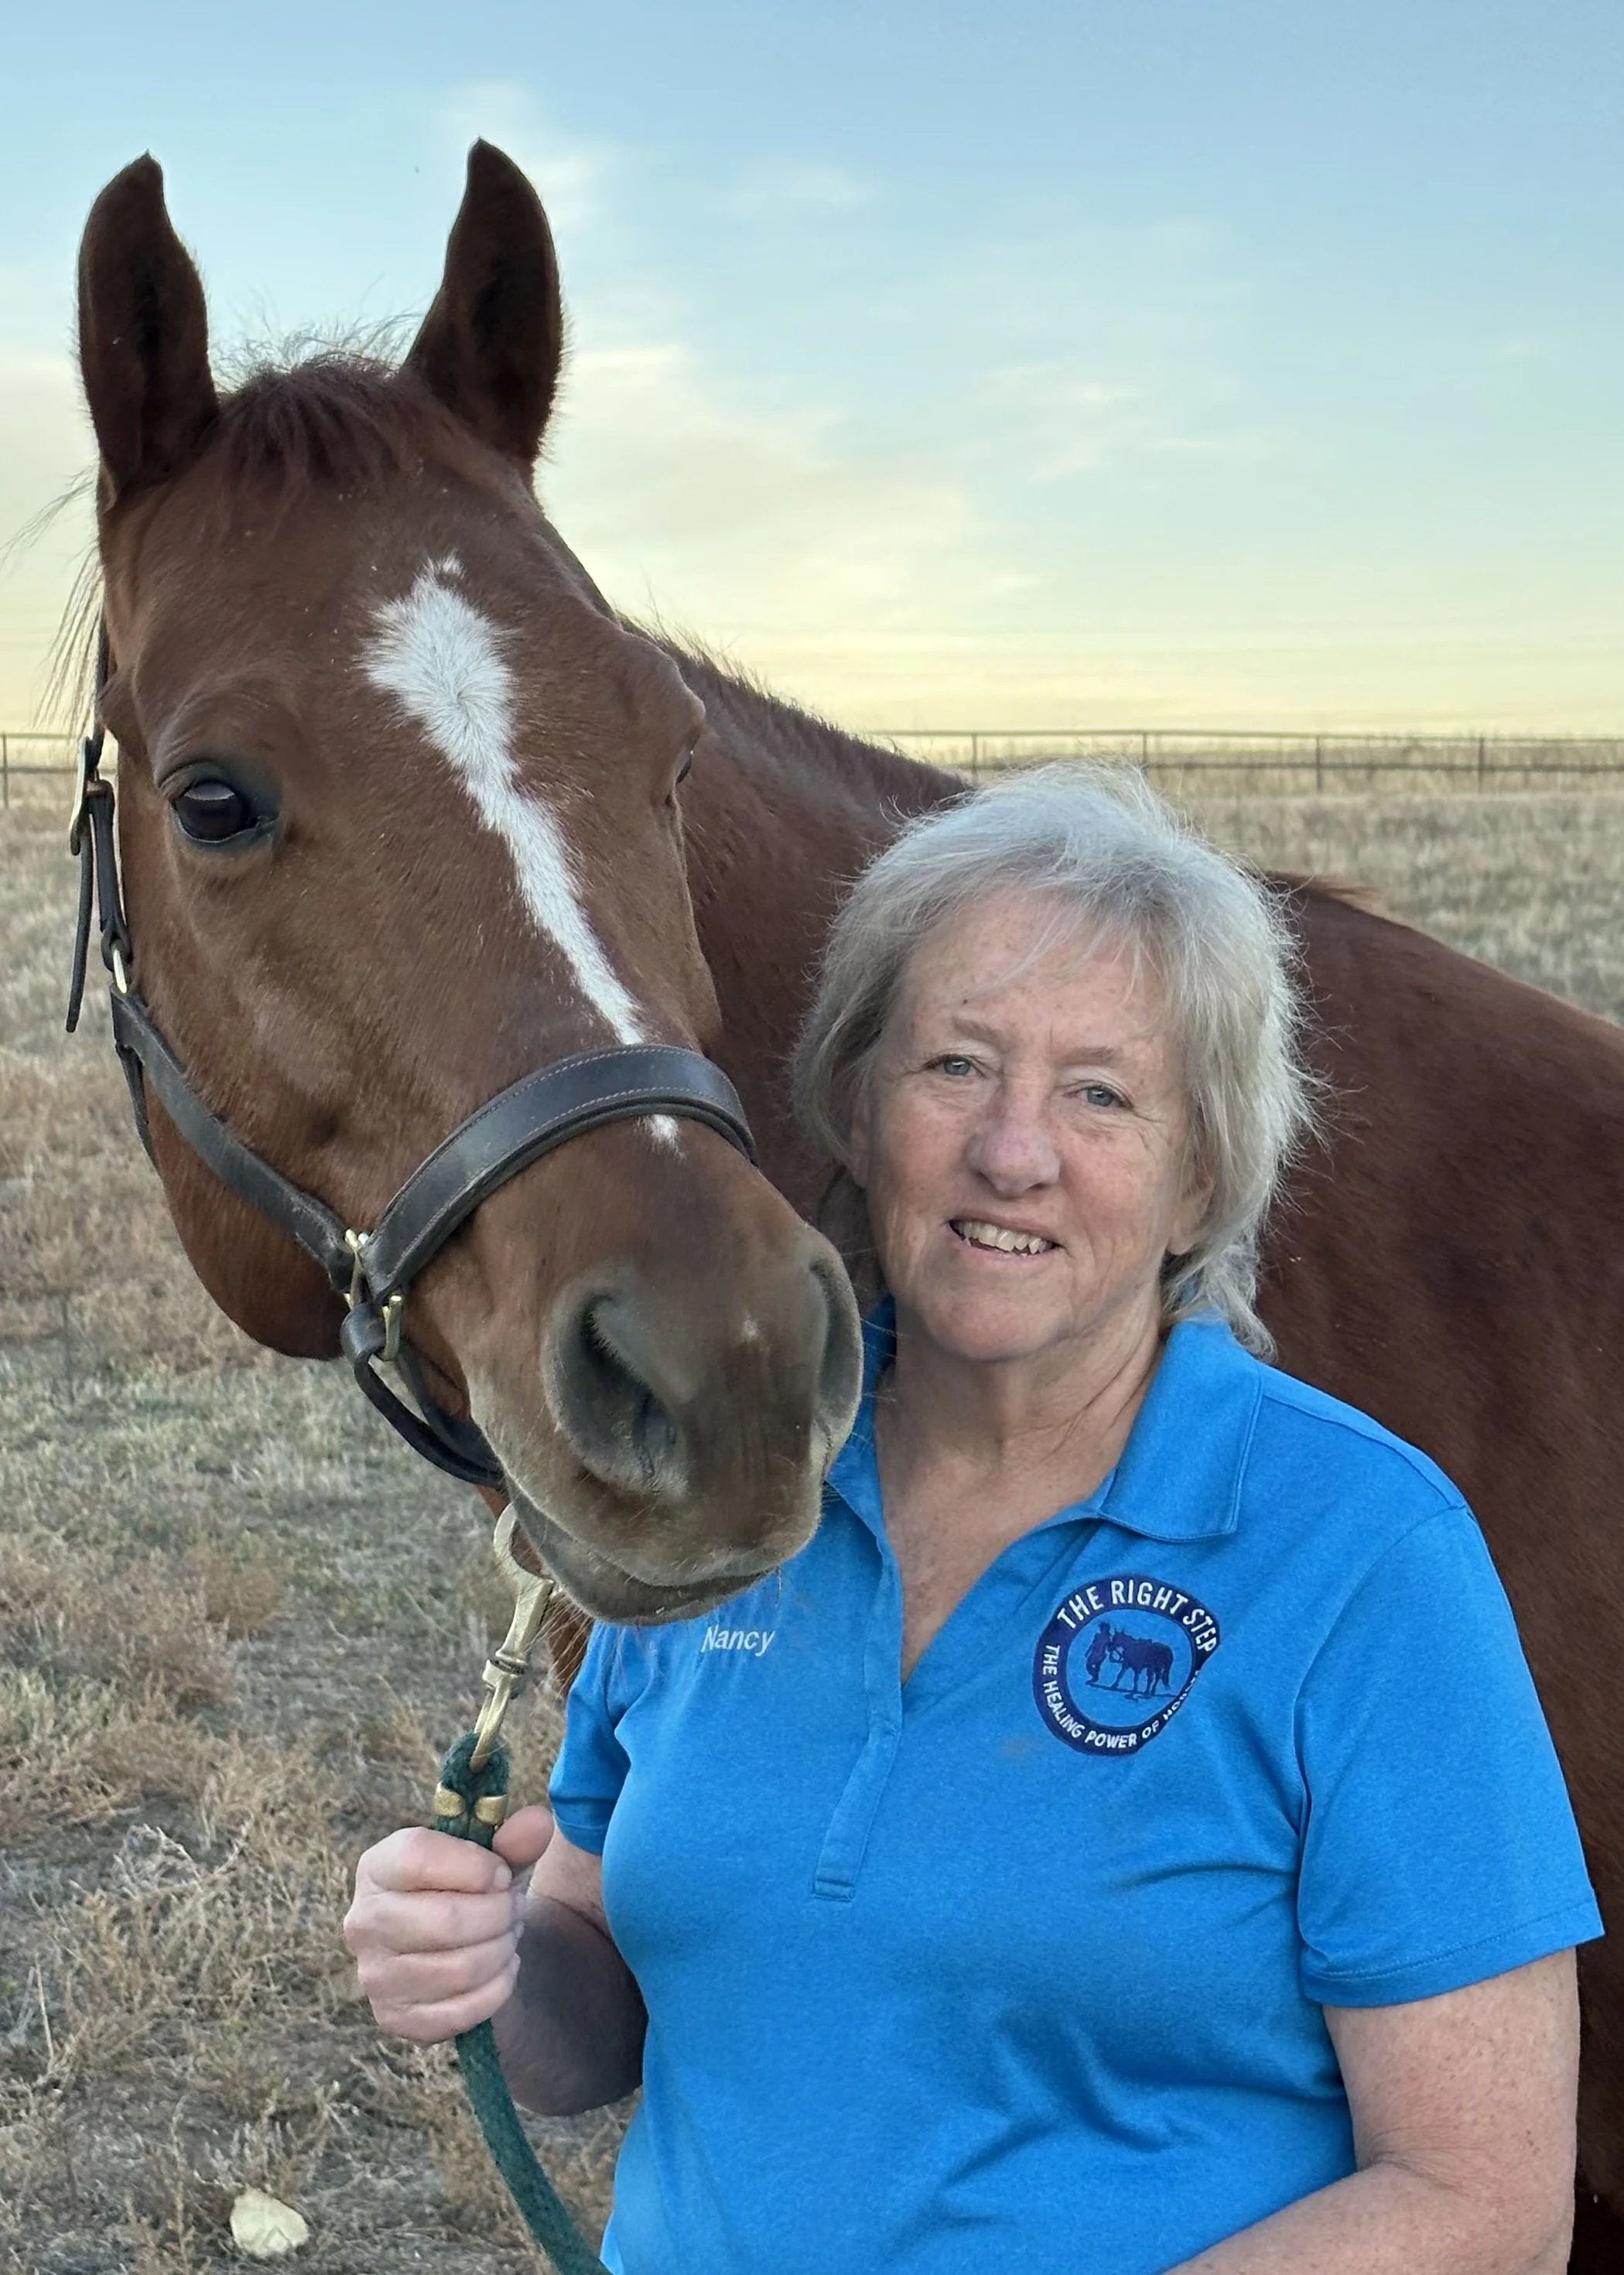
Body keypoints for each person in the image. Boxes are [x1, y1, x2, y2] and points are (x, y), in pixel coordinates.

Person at [344, 765, 1600, 2275]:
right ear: (858, 1115)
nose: (1013, 1151)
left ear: (1200, 1178)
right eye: (954, 1067)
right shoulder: (740, 1484)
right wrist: (496, 1969)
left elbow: (1484, 2204)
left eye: (1098, 1093)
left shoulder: (1359, 1555)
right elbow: (600, 1998)